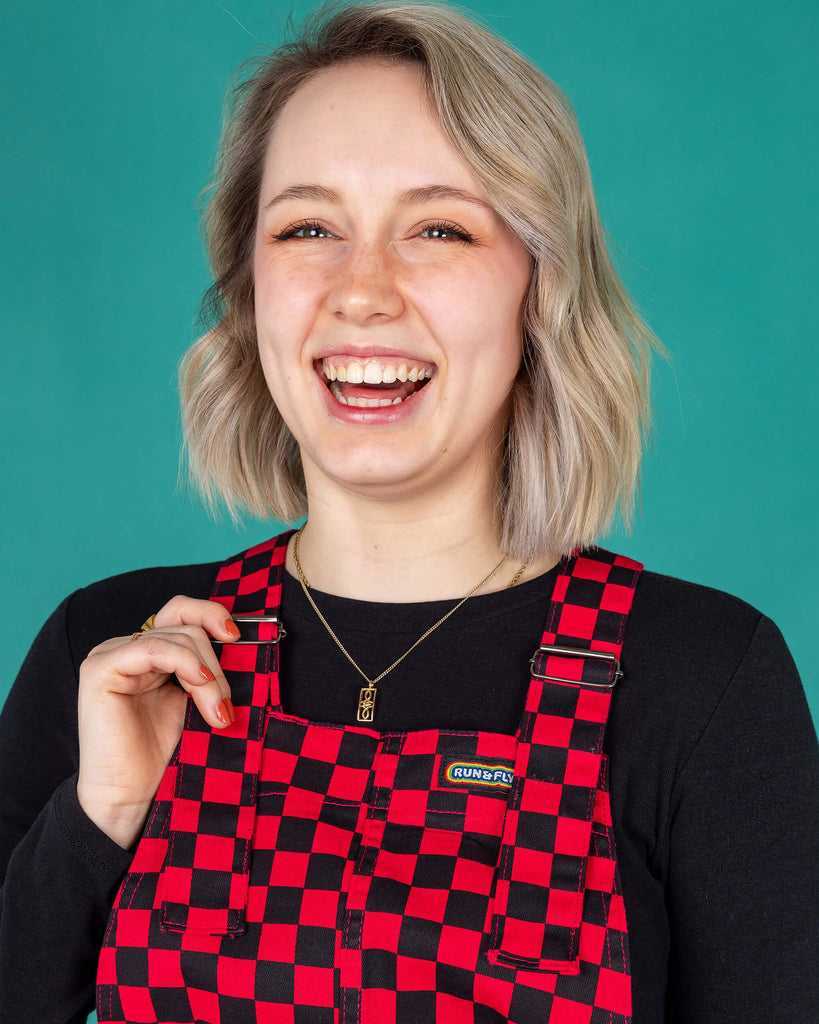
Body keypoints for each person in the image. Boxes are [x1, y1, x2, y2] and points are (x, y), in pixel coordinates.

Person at [0, 2, 816, 1022]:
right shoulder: (120, 660)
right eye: (308, 228)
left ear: (541, 285)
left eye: (438, 227)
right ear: (250, 290)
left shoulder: (704, 681)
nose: (364, 291)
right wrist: (103, 813)